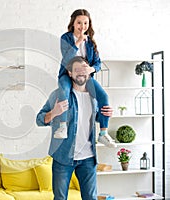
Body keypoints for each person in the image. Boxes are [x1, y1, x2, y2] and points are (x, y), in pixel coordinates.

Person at [36, 56, 113, 200]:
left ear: (89, 71)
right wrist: (54, 112)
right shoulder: (59, 95)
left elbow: (91, 119)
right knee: (60, 198)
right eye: (76, 70)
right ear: (70, 73)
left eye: (84, 68)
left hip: (89, 157)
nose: (81, 72)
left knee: (90, 197)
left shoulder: (95, 97)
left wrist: (106, 114)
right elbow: (39, 120)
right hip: (63, 157)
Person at [55, 9, 116, 148]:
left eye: (85, 23)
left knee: (104, 97)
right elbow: (66, 59)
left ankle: (103, 133)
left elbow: (98, 63)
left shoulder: (90, 42)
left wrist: (91, 69)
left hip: (85, 77)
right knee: (63, 91)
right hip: (67, 74)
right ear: (73, 23)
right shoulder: (66, 38)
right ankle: (63, 126)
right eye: (79, 23)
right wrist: (78, 43)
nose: (82, 26)